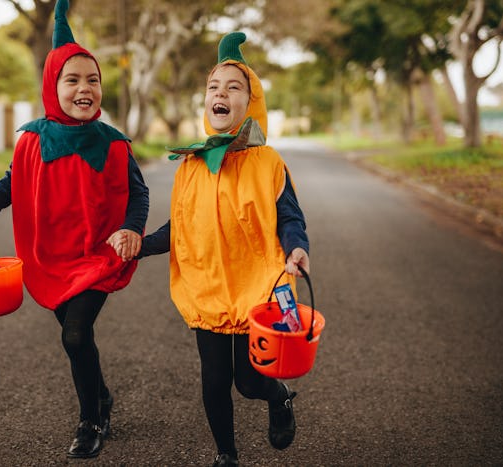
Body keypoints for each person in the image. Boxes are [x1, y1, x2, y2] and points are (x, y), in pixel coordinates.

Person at [0, 0, 148, 459]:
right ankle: (101, 395)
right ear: (53, 86)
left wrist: (131, 227)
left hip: (97, 254)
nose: (84, 87)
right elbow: (13, 180)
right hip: (50, 256)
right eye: (72, 79)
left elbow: (138, 193)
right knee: (73, 333)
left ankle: (91, 420)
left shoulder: (114, 143)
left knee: (75, 335)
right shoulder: (32, 138)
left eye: (93, 80)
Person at [127, 31, 310, 467]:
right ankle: (225, 454)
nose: (221, 93)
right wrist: (141, 246)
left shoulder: (268, 163)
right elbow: (182, 226)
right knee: (214, 380)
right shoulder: (190, 163)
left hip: (259, 284)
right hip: (207, 284)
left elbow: (290, 217)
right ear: (205, 102)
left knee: (248, 381)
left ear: (251, 103)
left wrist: (297, 247)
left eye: (234, 87)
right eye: (214, 87)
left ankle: (278, 396)